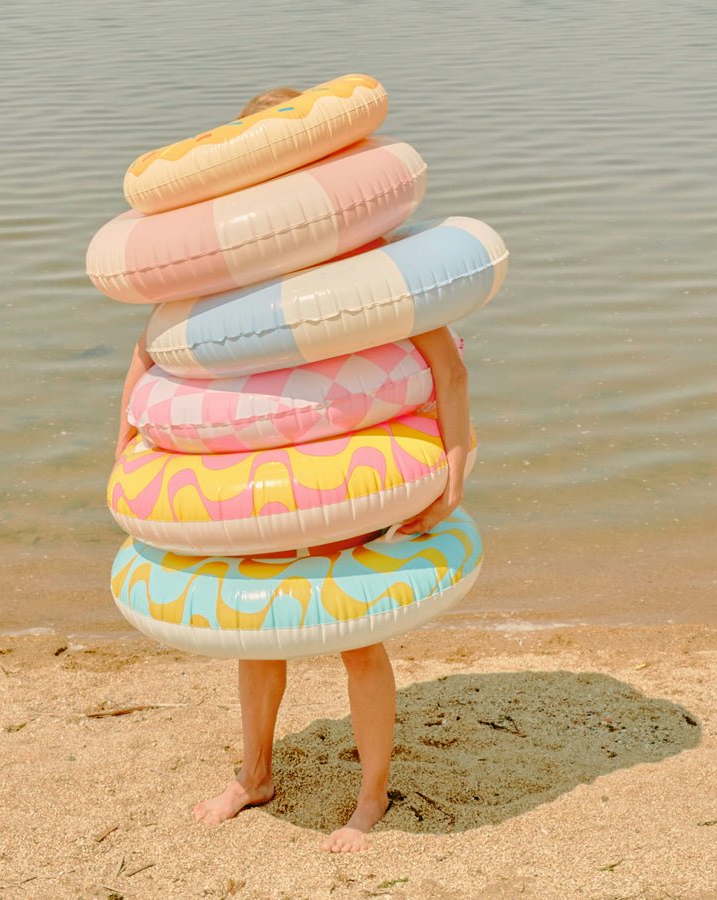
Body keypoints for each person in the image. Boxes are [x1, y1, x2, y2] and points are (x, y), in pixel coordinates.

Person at [111, 86, 472, 853]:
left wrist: (456, 456)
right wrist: (130, 448)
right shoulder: (216, 268)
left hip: (353, 470)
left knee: (358, 637)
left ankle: (371, 796)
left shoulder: (360, 256)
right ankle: (256, 775)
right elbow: (149, 361)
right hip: (255, 475)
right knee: (257, 634)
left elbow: (442, 362)